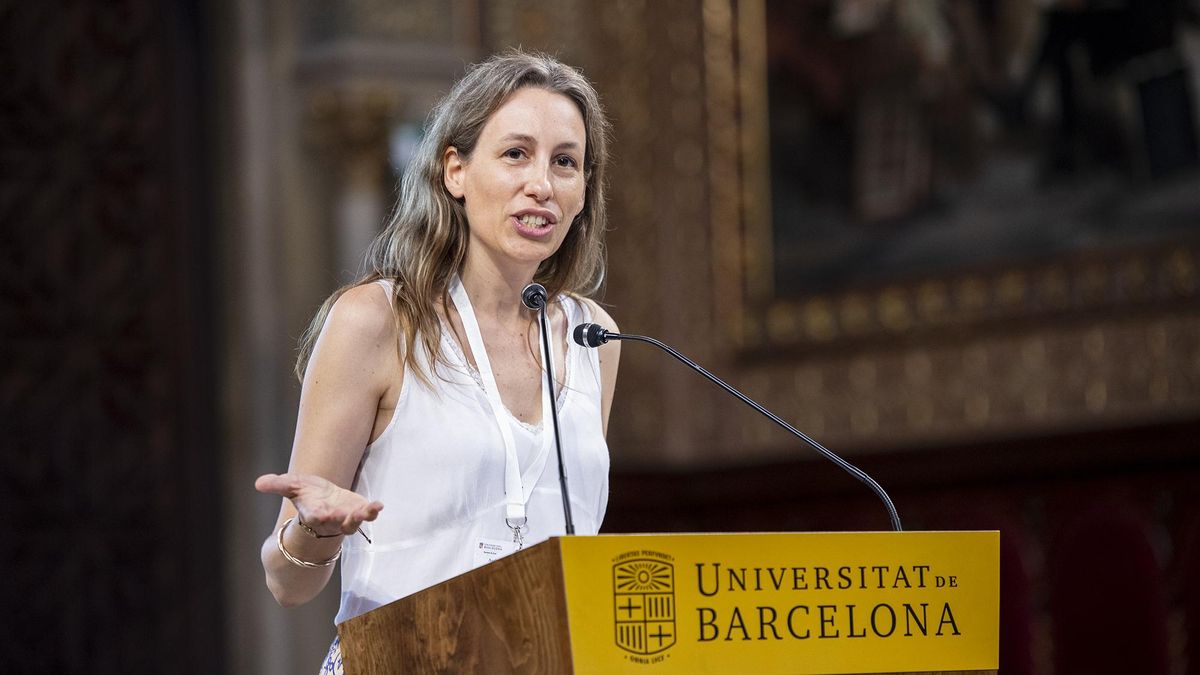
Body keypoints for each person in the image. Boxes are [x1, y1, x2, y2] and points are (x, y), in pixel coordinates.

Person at [253, 51, 620, 672]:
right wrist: (315, 532)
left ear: (584, 191)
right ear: (455, 170)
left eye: (565, 162)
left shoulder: (593, 338)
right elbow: (287, 584)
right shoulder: (377, 322)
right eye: (515, 154)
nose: (542, 184)